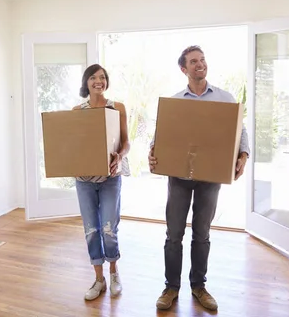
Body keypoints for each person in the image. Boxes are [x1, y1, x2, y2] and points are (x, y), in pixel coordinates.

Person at [149, 45, 250, 311]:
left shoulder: (224, 98)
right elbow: (160, 136)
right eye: (193, 61)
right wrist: (153, 153)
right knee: (174, 234)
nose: (200, 64)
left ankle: (199, 286)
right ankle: (171, 287)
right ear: (184, 69)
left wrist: (244, 155)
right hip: (179, 177)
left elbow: (241, 130)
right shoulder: (176, 100)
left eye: (202, 60)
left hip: (210, 176)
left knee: (202, 234)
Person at [72, 63, 131, 301]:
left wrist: (121, 155)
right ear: (86, 82)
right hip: (84, 180)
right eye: (94, 77)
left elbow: (126, 142)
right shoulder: (77, 111)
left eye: (103, 77)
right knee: (91, 231)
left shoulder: (116, 108)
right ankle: (99, 279)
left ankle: (114, 272)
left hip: (110, 177)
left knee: (109, 229)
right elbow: (72, 145)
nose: (99, 81)